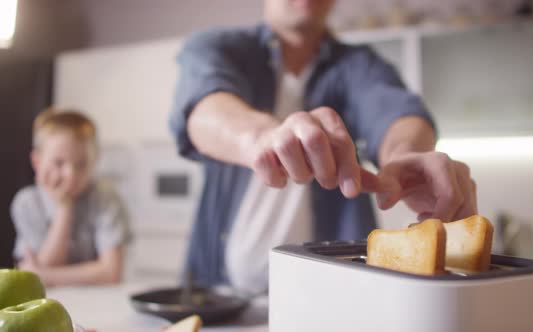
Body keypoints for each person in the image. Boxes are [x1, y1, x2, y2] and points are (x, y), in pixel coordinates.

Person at [170, 0, 476, 294]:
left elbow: (393, 109)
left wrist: (405, 154)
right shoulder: (218, 47)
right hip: (219, 299)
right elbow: (205, 110)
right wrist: (262, 137)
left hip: (331, 301)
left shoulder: (359, 65)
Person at [11, 108, 131, 287]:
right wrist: (64, 208)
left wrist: (47, 276)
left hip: (99, 302)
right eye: (59, 163)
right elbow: (44, 271)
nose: (70, 175)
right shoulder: (27, 203)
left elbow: (111, 272)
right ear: (37, 161)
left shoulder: (105, 198)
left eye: (81, 164)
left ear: (95, 161)